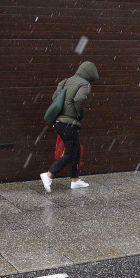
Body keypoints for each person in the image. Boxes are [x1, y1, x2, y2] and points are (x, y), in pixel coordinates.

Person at [40, 61, 100, 192]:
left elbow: (55, 97)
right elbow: (79, 99)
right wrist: (80, 113)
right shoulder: (84, 84)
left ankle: (75, 180)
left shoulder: (66, 81)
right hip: (69, 123)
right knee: (71, 153)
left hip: (59, 122)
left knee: (76, 150)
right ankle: (49, 174)